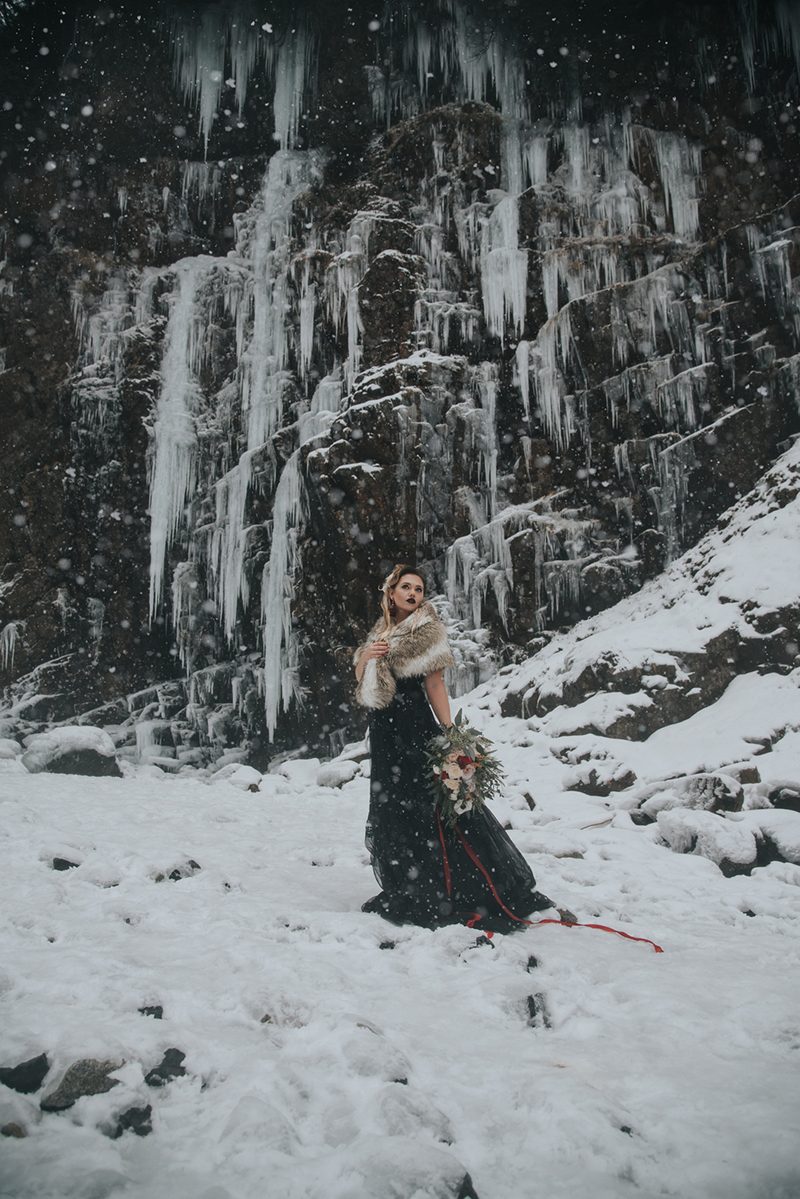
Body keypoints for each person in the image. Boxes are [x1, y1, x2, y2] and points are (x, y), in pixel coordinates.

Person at [353, 563, 555, 932]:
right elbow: (365, 683)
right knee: (394, 808)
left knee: (427, 808)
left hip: (413, 728)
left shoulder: (426, 632)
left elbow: (435, 685)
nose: (413, 594)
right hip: (384, 733)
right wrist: (365, 657)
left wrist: (451, 734)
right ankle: (409, 886)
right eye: (406, 587)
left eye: (419, 589)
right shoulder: (381, 631)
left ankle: (447, 888)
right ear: (391, 592)